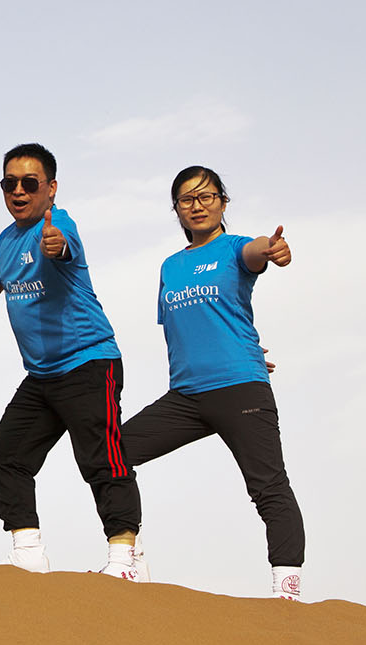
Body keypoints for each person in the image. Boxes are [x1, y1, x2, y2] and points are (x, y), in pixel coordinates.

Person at [120, 165, 304, 600]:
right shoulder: (170, 266)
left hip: (240, 389)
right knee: (111, 453)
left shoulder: (237, 249)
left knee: (268, 487)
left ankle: (287, 590)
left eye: (206, 196)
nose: (197, 205)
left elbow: (260, 252)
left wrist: (274, 249)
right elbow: (194, 327)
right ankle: (128, 557)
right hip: (185, 396)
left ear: (223, 201)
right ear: (177, 211)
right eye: (187, 199)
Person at [0, 143, 142, 578]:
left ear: (52, 188)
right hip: (41, 376)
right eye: (10, 184)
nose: (19, 191)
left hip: (87, 363)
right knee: (4, 454)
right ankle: (29, 553)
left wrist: (55, 244)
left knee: (102, 457)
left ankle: (126, 559)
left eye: (30, 183)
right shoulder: (6, 240)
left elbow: (63, 246)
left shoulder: (58, 223)